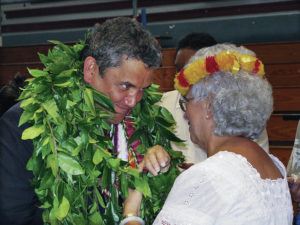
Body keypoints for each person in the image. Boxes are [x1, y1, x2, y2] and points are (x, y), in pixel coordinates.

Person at [0, 17, 172, 225]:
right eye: (125, 86)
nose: (133, 101)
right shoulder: (25, 123)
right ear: (91, 69)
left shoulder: (145, 121)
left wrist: (156, 169)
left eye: (142, 90)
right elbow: (14, 217)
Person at [122, 43, 293, 225]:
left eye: (186, 101)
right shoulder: (274, 167)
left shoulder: (208, 176)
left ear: (209, 107)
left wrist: (130, 214)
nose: (185, 113)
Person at [160, 33, 269, 168]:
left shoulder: (244, 114)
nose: (182, 76)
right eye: (178, 68)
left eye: (190, 70)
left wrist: (202, 175)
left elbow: (256, 167)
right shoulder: (161, 105)